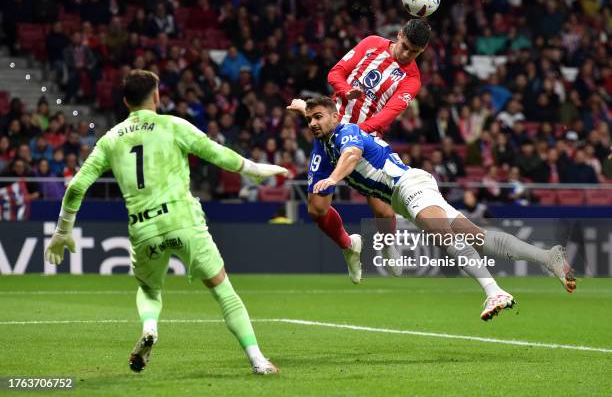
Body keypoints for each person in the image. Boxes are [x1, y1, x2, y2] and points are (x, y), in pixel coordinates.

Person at [44, 70, 286, 374]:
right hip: (183, 219)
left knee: (149, 290)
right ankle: (258, 360)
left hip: (143, 229)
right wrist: (254, 168)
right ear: (156, 96)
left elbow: (77, 186)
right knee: (223, 290)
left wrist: (62, 231)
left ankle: (150, 327)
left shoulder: (110, 139)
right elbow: (216, 153)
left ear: (125, 101)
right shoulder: (173, 125)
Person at [304, 96, 575, 321]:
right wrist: (299, 106)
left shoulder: (347, 131)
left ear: (335, 116)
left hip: (408, 186)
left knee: (446, 239)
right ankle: (546, 258)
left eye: (318, 116)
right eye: (309, 119)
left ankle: (494, 291)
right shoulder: (327, 145)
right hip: (406, 193)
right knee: (478, 238)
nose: (312, 123)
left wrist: (333, 178)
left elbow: (351, 155)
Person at [287, 19, 430, 279]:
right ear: (398, 35)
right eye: (406, 47)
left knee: (383, 210)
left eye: (415, 52)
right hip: (330, 132)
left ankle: (388, 245)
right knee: (316, 209)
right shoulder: (372, 44)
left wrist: (352, 134)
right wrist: (346, 91)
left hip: (366, 140)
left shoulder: (412, 80)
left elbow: (388, 114)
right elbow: (335, 73)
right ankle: (349, 245)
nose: (408, 54)